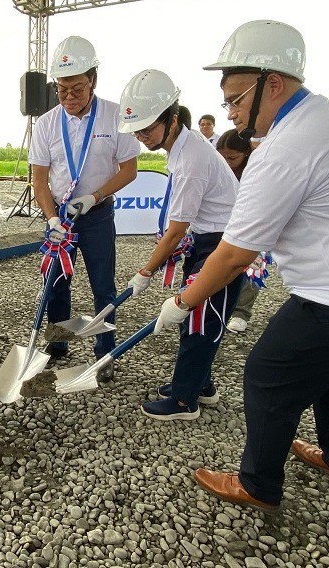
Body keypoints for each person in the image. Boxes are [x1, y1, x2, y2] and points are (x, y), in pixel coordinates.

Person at [155, 20, 329, 513]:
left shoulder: (288, 145)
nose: (231, 112)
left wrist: (182, 302)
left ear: (272, 84)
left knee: (267, 372)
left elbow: (233, 255)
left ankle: (259, 484)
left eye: (234, 99)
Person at [120, 70, 240, 420]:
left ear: (172, 119)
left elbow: (175, 232)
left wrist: (144, 272)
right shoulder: (183, 147)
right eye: (136, 130)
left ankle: (185, 402)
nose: (142, 137)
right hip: (209, 238)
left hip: (221, 244)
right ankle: (201, 385)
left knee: (200, 319)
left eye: (146, 128)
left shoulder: (191, 160)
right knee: (199, 317)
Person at [29, 35, 139, 381]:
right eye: (62, 90)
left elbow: (129, 170)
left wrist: (95, 196)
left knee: (102, 285)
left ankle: (104, 351)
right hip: (61, 217)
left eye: (76, 89)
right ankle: (59, 343)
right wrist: (51, 219)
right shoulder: (46, 123)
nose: (69, 98)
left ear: (92, 80)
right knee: (56, 281)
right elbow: (39, 180)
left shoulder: (114, 116)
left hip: (97, 215)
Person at [215, 129, 257, 333]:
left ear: (247, 153)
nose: (227, 163)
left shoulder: (257, 171)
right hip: (222, 226)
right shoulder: (217, 169)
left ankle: (241, 312)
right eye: (222, 158)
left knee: (250, 268)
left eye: (232, 158)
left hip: (251, 225)